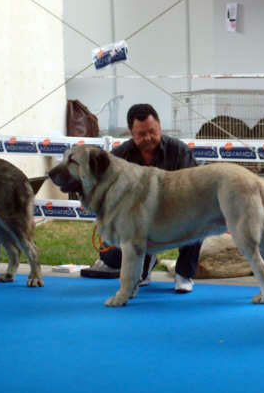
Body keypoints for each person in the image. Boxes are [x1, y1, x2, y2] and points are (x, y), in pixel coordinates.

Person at [81, 103, 202, 293]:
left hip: (174, 211)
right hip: (135, 218)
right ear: (131, 132)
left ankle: (184, 274)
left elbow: (194, 189)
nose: (148, 138)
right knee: (110, 257)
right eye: (141, 134)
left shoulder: (180, 151)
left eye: (152, 132)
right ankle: (143, 267)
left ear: (160, 126)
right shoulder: (119, 156)